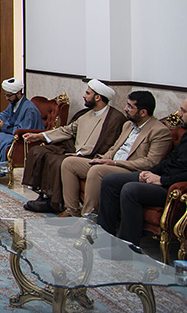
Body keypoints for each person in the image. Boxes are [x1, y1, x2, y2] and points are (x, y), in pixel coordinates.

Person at [99, 95, 187, 246]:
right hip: (162, 178)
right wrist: (149, 172)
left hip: (174, 188)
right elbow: (169, 161)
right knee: (111, 180)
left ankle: (128, 247)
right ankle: (105, 236)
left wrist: (162, 180)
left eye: (183, 111)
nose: (179, 114)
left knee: (130, 189)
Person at [60, 91, 172, 218]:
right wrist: (103, 159)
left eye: (130, 106)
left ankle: (88, 218)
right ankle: (72, 211)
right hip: (110, 163)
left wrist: (114, 162)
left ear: (143, 112)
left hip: (129, 169)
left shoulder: (159, 131)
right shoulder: (128, 125)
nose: (125, 109)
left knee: (97, 171)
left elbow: (150, 163)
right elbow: (114, 148)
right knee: (69, 163)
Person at [21, 79, 125, 213]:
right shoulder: (86, 114)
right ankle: (45, 195)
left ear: (97, 97)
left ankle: (55, 202)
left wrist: (79, 155)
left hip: (91, 156)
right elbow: (68, 130)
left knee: (57, 160)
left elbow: (108, 144)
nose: (84, 96)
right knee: (39, 151)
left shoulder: (115, 118)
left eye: (88, 93)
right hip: (75, 151)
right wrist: (40, 136)